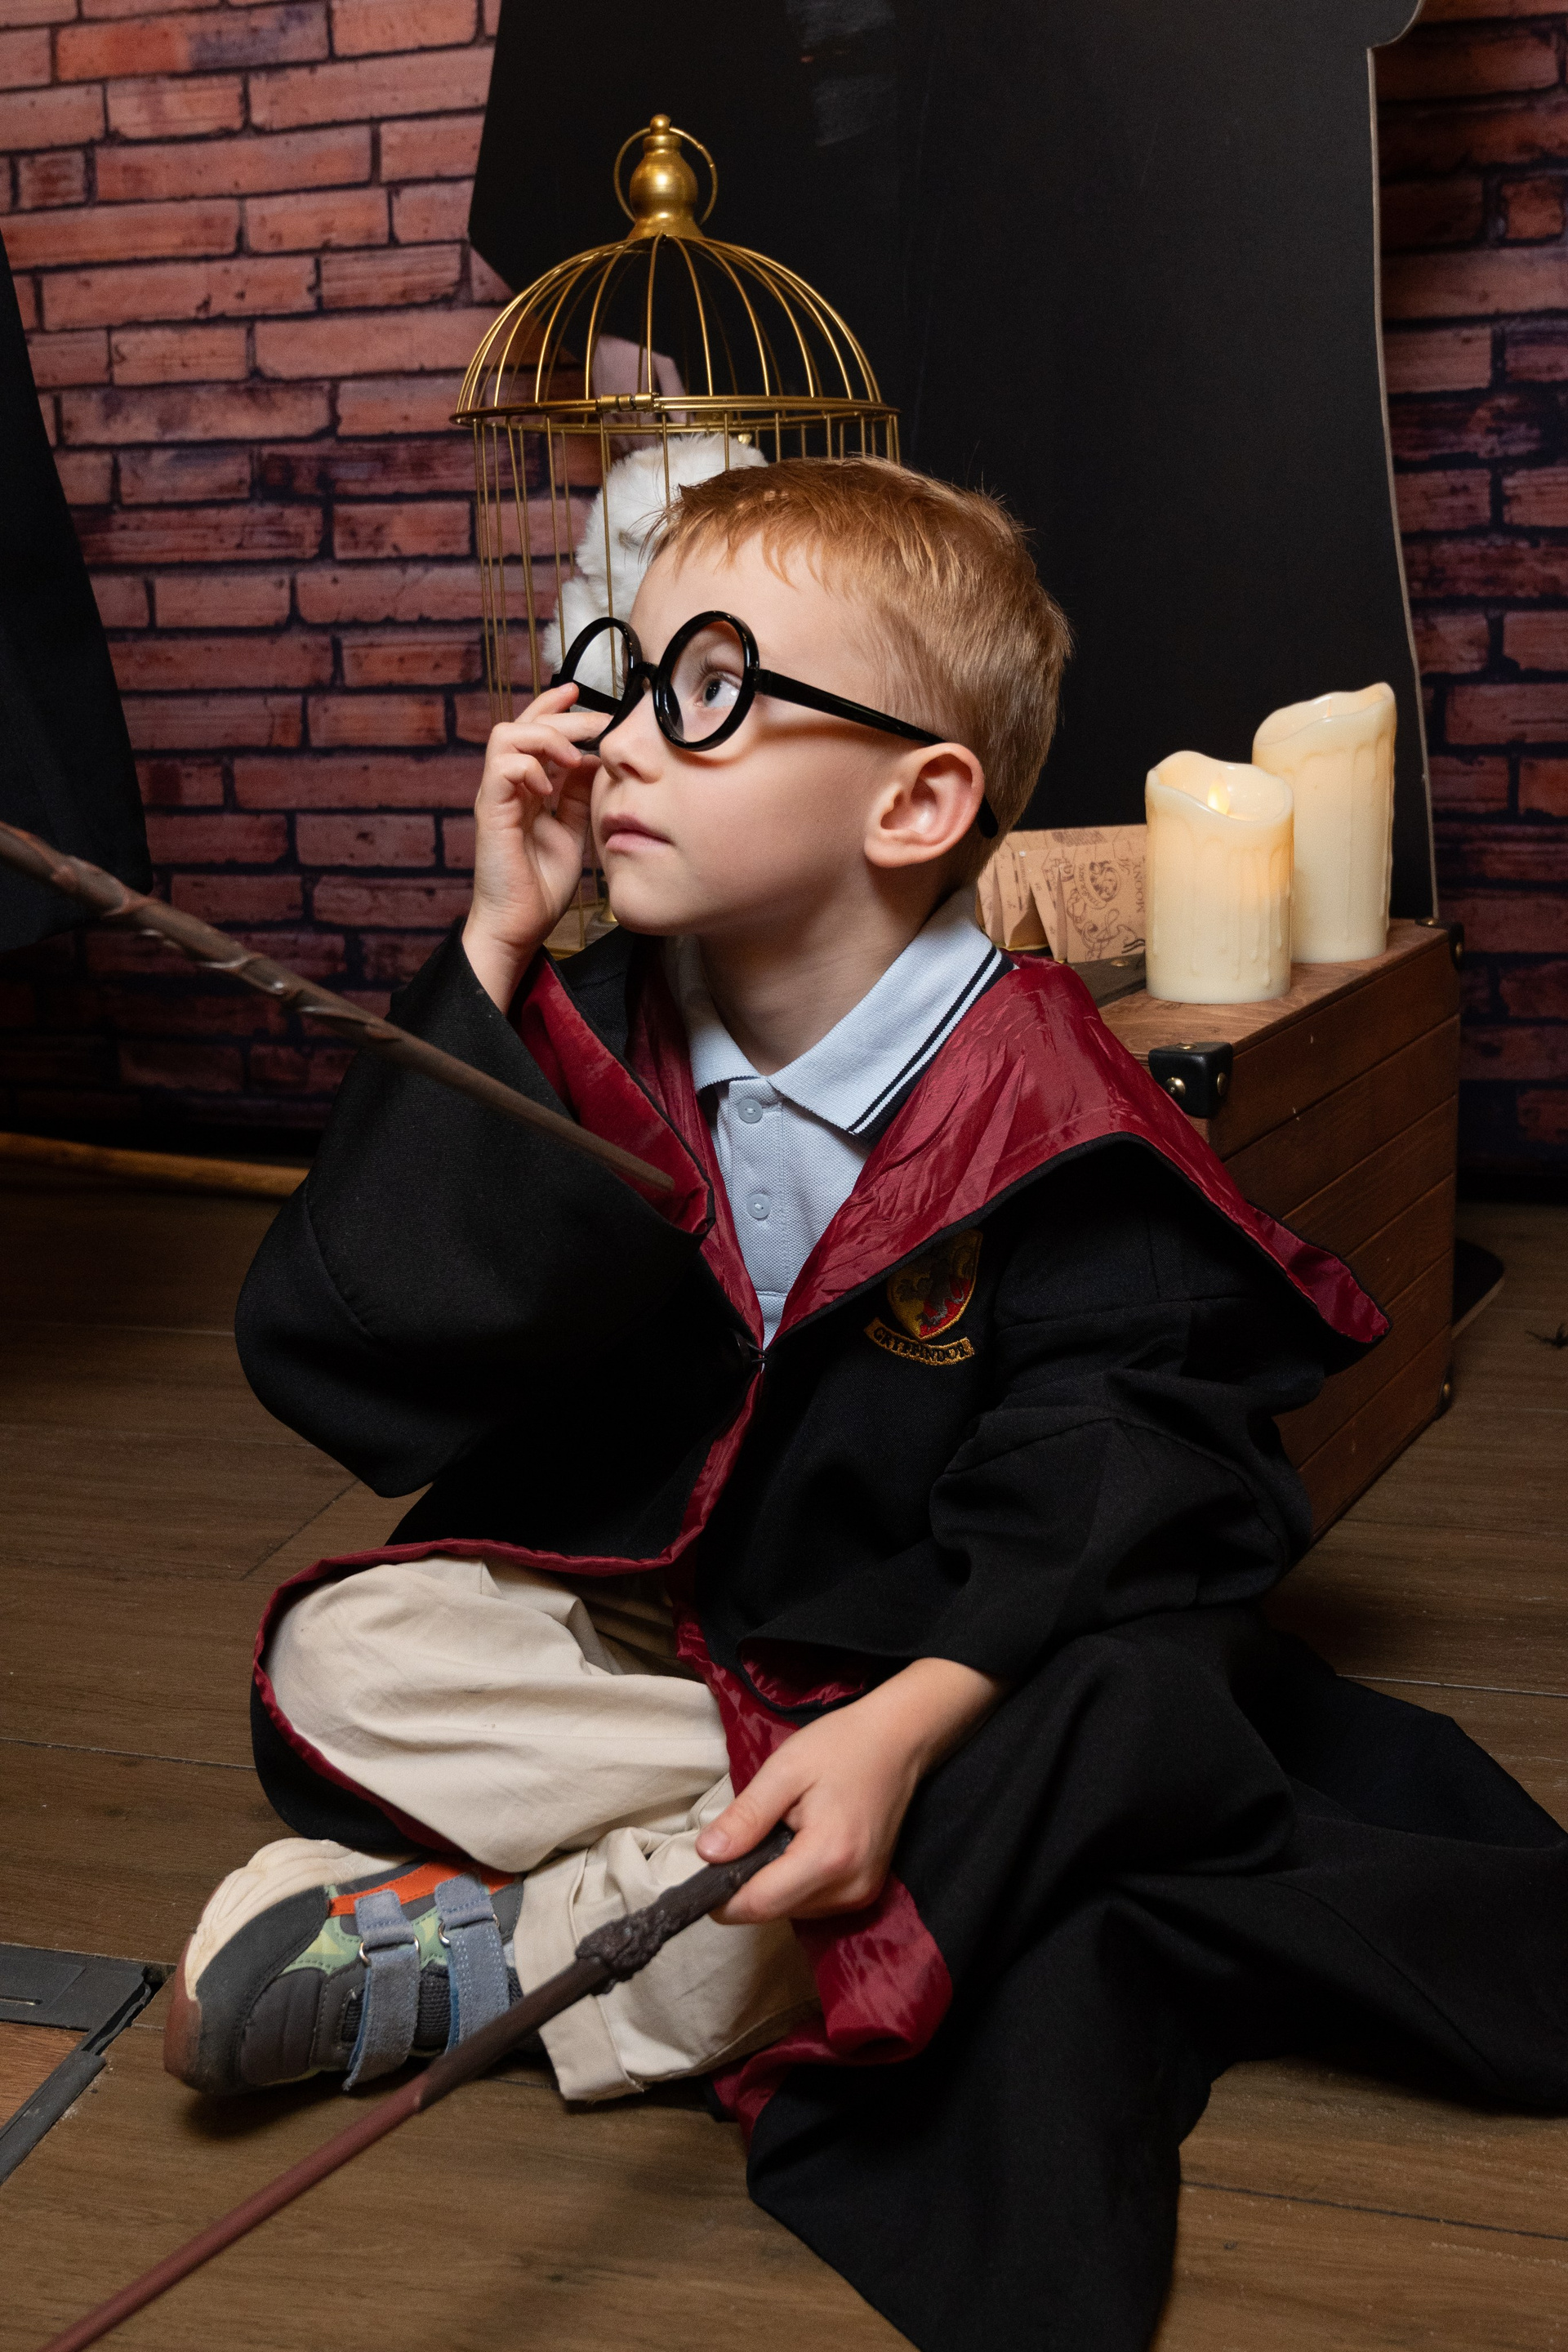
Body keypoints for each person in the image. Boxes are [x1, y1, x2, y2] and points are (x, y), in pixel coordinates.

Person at [167, 459, 1568, 2352]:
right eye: (626, 675)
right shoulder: (620, 1023)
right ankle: (760, 1850)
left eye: (713, 690)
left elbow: (1125, 1476)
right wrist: (496, 944)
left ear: (913, 803)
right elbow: (372, 1323)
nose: (617, 741)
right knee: (348, 1652)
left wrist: (906, 1728)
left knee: (1106, 1734)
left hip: (960, 1649)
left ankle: (532, 1950)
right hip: (703, 1610)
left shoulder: (1043, 1112)